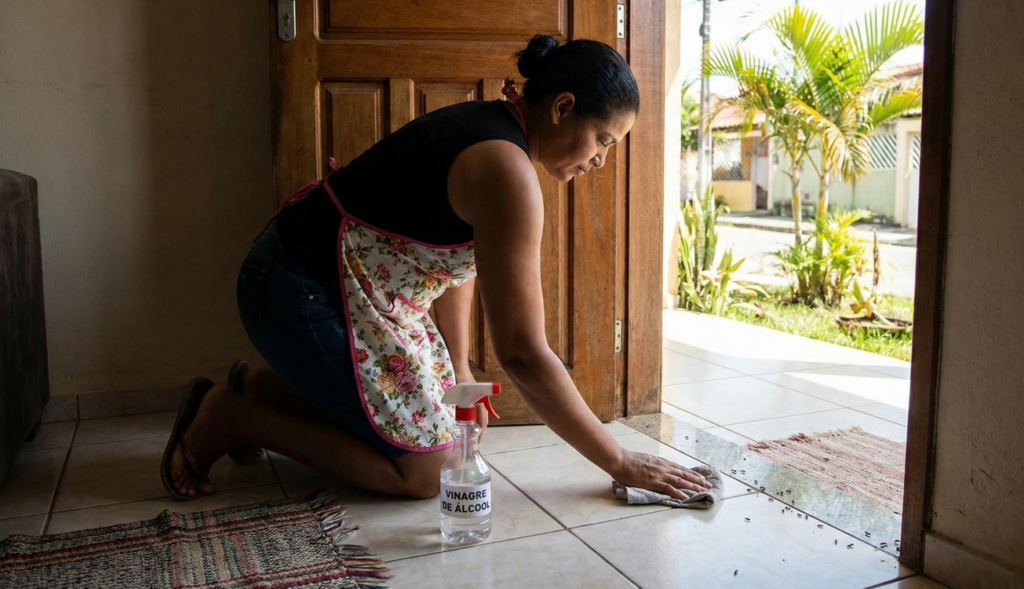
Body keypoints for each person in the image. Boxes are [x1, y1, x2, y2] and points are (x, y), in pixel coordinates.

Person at [160, 34, 711, 501]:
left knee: (450, 427)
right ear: (563, 107)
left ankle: (260, 391)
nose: (600, 161)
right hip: (295, 288)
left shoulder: (500, 136)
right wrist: (618, 460)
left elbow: (453, 260)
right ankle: (228, 415)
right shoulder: (506, 168)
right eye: (602, 141)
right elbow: (522, 350)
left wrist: (461, 364)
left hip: (356, 293)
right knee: (427, 471)